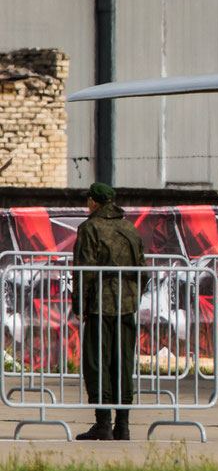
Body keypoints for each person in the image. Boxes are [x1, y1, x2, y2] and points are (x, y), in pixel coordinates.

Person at [72, 181, 147, 441]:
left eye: (88, 200)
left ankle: (103, 423)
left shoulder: (90, 228)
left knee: (97, 362)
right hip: (126, 306)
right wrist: (133, 296)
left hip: (100, 306)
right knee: (123, 361)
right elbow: (142, 269)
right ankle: (123, 425)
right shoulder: (129, 228)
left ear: (94, 201)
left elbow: (85, 271)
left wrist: (79, 304)